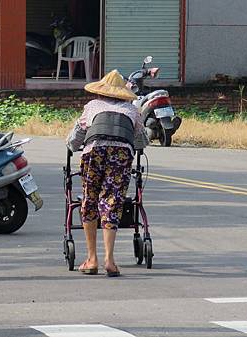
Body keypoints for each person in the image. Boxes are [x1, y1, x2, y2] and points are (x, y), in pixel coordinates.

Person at [66, 69, 147, 277]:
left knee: (90, 198)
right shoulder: (132, 110)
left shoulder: (92, 106)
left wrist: (73, 146)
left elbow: (76, 137)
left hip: (94, 150)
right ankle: (109, 260)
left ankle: (91, 259)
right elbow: (140, 141)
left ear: (101, 91)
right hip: (121, 154)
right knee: (112, 201)